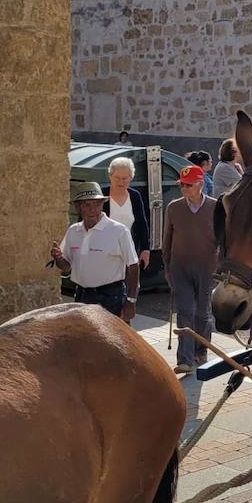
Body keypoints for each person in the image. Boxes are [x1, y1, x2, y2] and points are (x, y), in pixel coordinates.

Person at [50, 182, 139, 321]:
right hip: (82, 296)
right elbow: (66, 268)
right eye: (87, 205)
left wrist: (131, 302)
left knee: (113, 341)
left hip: (111, 296)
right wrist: (58, 258)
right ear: (78, 207)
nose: (92, 210)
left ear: (102, 205)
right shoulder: (73, 231)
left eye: (97, 204)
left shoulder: (118, 231)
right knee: (83, 340)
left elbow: (133, 266)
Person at [164, 164, 218, 374]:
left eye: (188, 185)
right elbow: (167, 239)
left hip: (208, 267)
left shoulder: (215, 207)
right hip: (181, 267)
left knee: (203, 313)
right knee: (186, 312)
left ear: (200, 184)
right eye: (181, 185)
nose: (183, 189)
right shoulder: (174, 207)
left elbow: (224, 238)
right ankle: (184, 359)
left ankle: (200, 349)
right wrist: (167, 267)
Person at [105, 157, 151, 270]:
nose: (121, 182)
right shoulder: (101, 195)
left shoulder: (135, 196)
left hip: (129, 255)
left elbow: (142, 223)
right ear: (110, 176)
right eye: (117, 178)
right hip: (104, 254)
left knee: (131, 286)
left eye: (125, 178)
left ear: (131, 178)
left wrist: (145, 249)